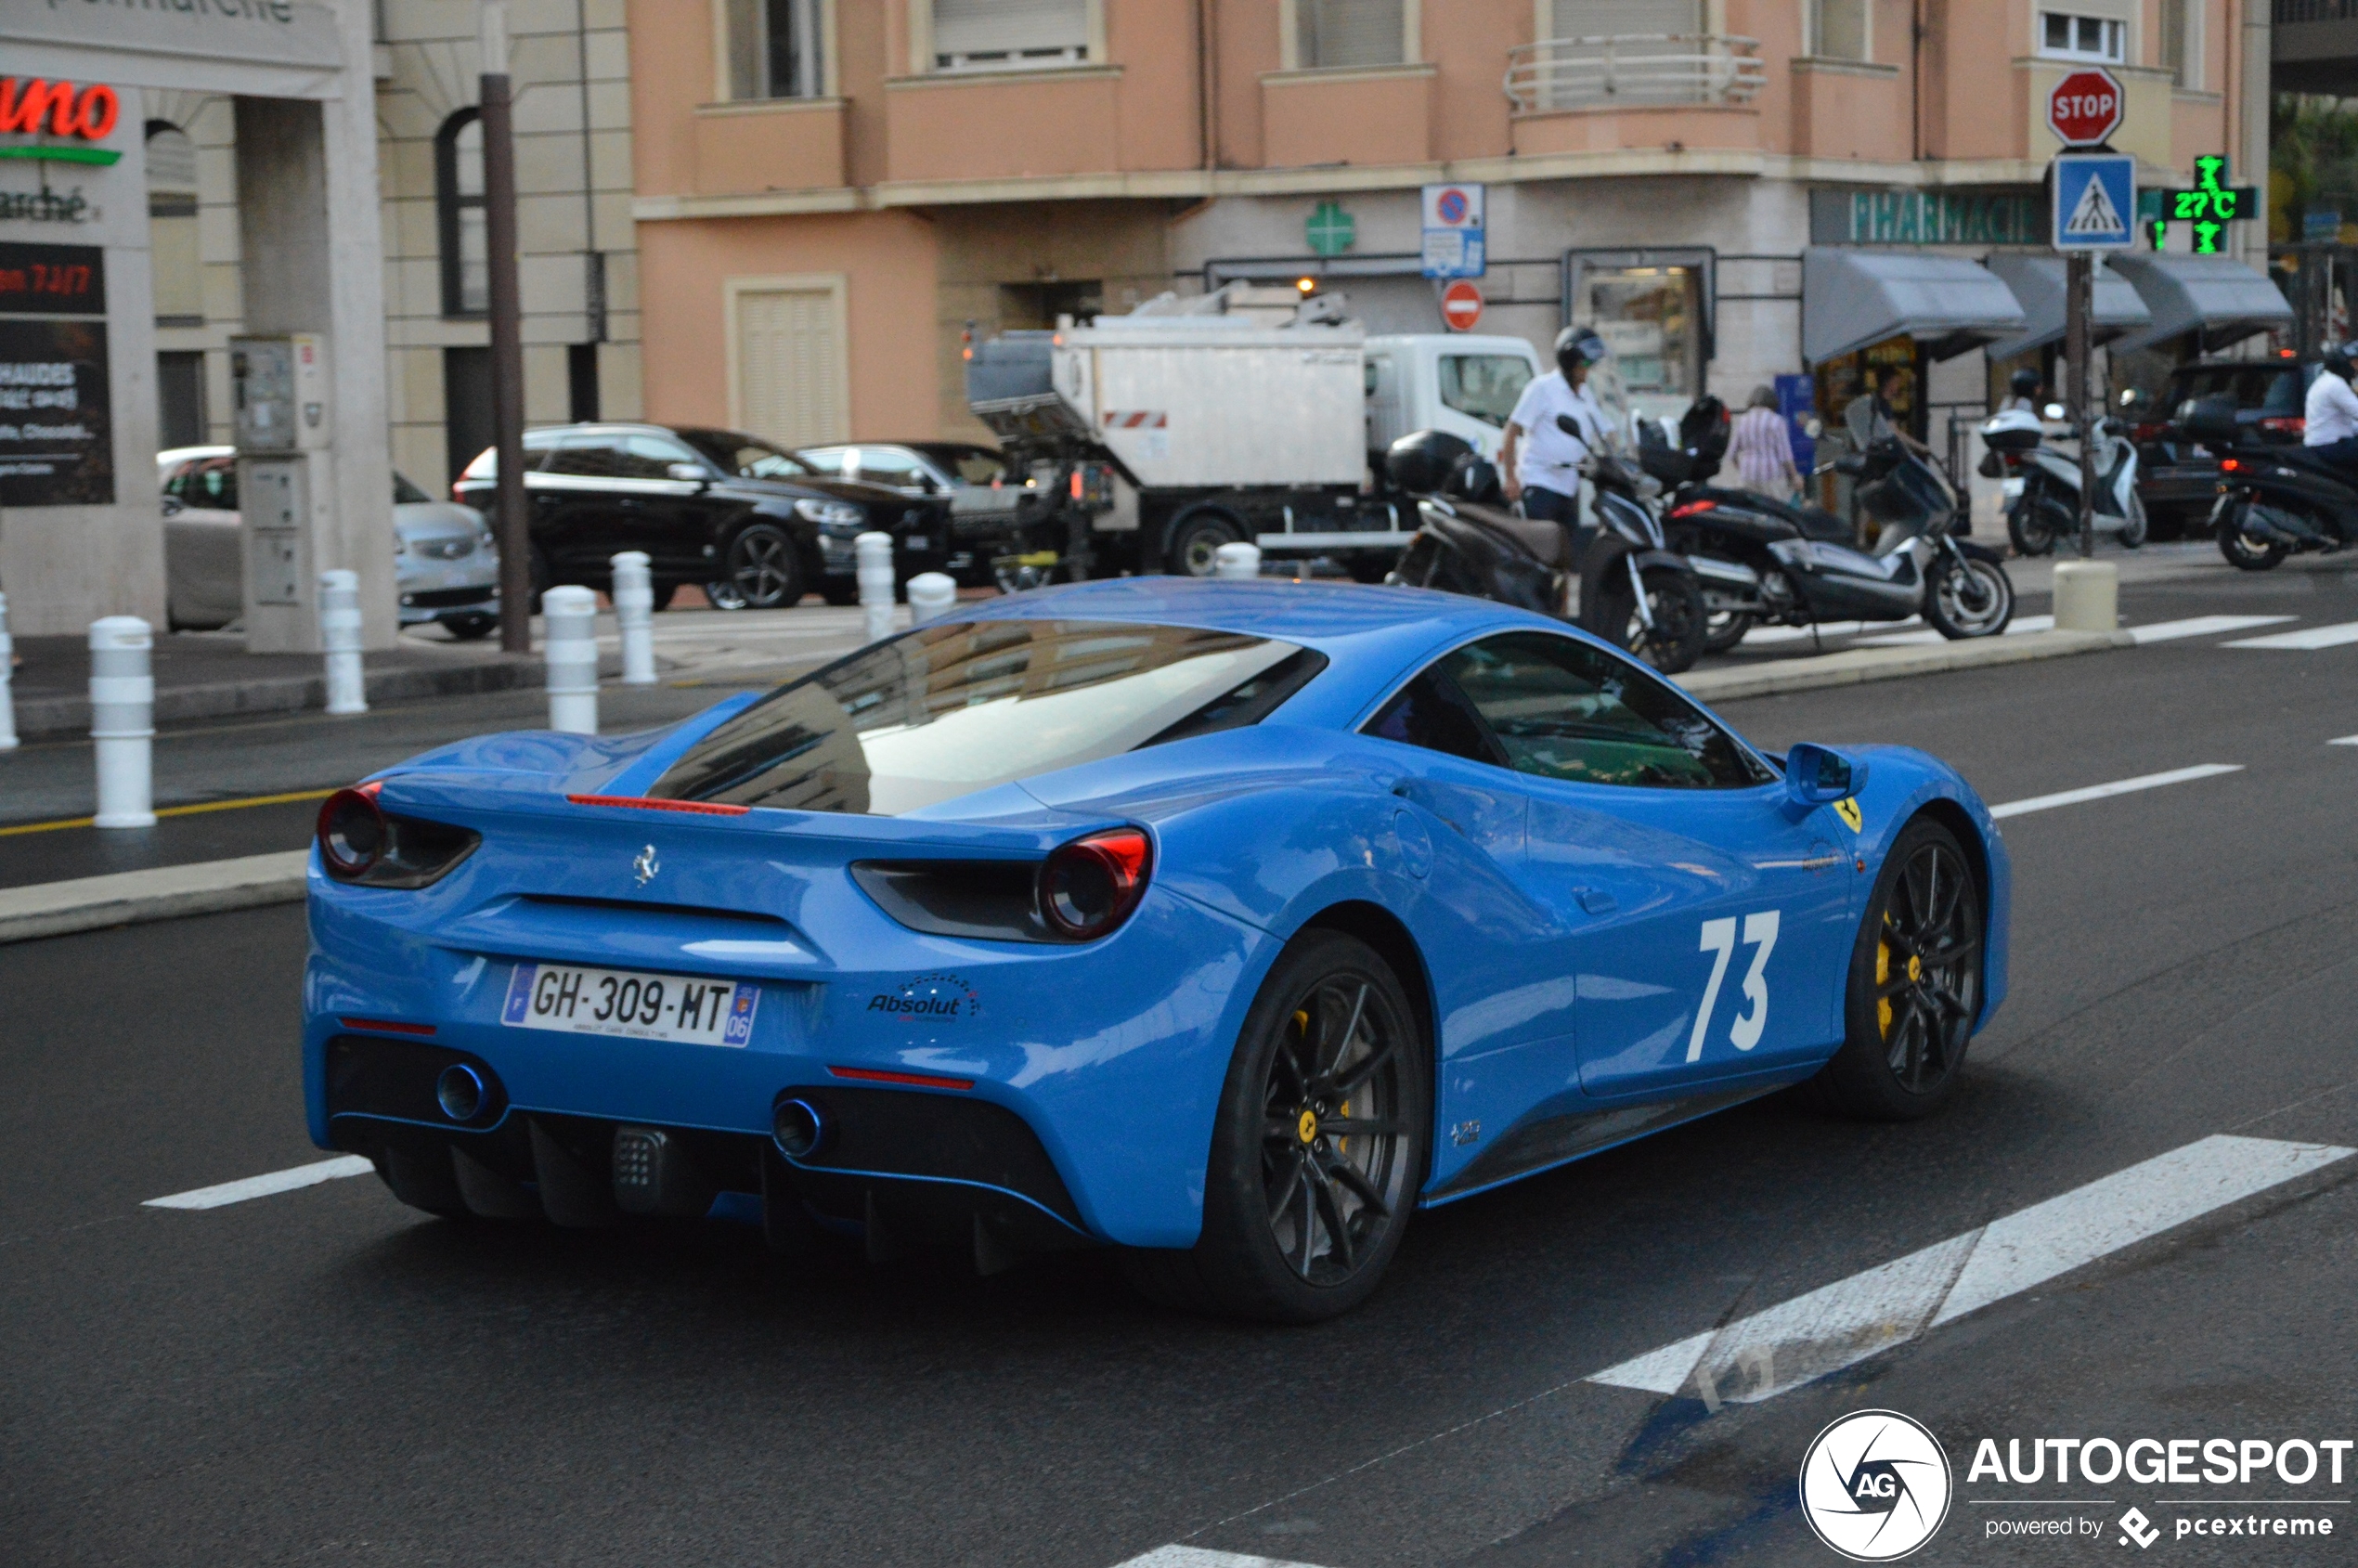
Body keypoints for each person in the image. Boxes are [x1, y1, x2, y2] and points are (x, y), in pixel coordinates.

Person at [1501, 327, 1611, 538]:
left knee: (1565, 551)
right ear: (1569, 361)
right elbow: (1511, 431)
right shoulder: (1542, 388)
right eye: (1585, 363)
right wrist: (1510, 477)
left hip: (1569, 486)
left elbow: (1607, 431)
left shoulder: (1585, 394)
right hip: (1541, 483)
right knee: (1543, 547)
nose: (1588, 369)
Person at [1844, 364, 1935, 459]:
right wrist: (1920, 447)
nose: (1898, 386)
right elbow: (1895, 432)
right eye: (1896, 382)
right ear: (1889, 383)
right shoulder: (1883, 405)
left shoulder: (1875, 401)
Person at [1728, 384, 1803, 499]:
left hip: (1748, 474)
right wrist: (1795, 476)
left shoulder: (1743, 420)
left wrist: (1742, 468)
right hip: (1771, 475)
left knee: (1752, 511)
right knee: (1775, 510)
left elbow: (1732, 453)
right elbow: (1785, 455)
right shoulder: (1776, 421)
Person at [2302, 345, 2358, 477]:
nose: (2356, 368)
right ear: (2343, 364)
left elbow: (2347, 422)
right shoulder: (2335, 384)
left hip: (2323, 443)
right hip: (2331, 446)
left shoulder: (2325, 381)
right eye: (2354, 363)